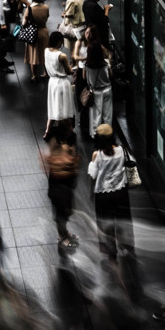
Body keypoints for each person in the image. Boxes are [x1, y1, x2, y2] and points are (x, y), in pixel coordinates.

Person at [88, 124, 132, 260]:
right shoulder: (122, 150)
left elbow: (93, 176)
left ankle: (111, 249)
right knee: (123, 220)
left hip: (103, 195)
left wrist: (91, 192)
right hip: (121, 193)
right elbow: (131, 164)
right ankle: (126, 246)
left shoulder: (97, 155)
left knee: (106, 223)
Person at [40, 122, 80, 250]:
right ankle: (62, 237)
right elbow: (49, 160)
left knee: (66, 211)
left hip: (66, 183)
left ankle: (65, 232)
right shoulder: (55, 143)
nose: (71, 130)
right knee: (61, 213)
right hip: (58, 185)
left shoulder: (67, 141)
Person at [44, 31, 75, 138]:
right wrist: (72, 67)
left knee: (53, 106)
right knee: (65, 107)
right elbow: (69, 71)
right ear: (59, 42)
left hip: (52, 82)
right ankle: (69, 131)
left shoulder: (46, 51)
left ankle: (47, 131)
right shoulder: (62, 56)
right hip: (62, 83)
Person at [84, 31, 113, 139]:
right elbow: (111, 76)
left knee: (96, 114)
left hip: (95, 91)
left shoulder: (87, 65)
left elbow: (84, 78)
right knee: (107, 114)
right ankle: (108, 133)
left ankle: (95, 134)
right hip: (107, 89)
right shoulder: (105, 64)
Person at [22, 0, 50, 82]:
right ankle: (46, 72)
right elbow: (46, 17)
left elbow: (24, 23)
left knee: (33, 53)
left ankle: (34, 75)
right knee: (44, 53)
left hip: (33, 33)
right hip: (44, 32)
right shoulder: (46, 7)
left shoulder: (29, 9)